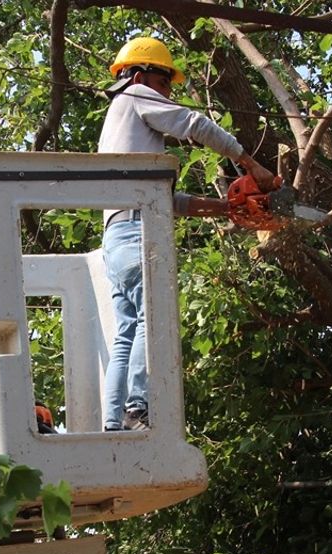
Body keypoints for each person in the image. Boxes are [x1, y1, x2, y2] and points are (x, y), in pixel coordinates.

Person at [99, 37, 277, 431]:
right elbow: (194, 123)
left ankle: (114, 422)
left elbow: (167, 200)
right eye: (166, 85)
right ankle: (139, 409)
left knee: (126, 333)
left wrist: (227, 208)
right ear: (142, 73)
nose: (167, 95)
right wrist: (249, 163)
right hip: (137, 231)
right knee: (150, 319)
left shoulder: (119, 127)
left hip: (116, 238)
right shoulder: (136, 94)